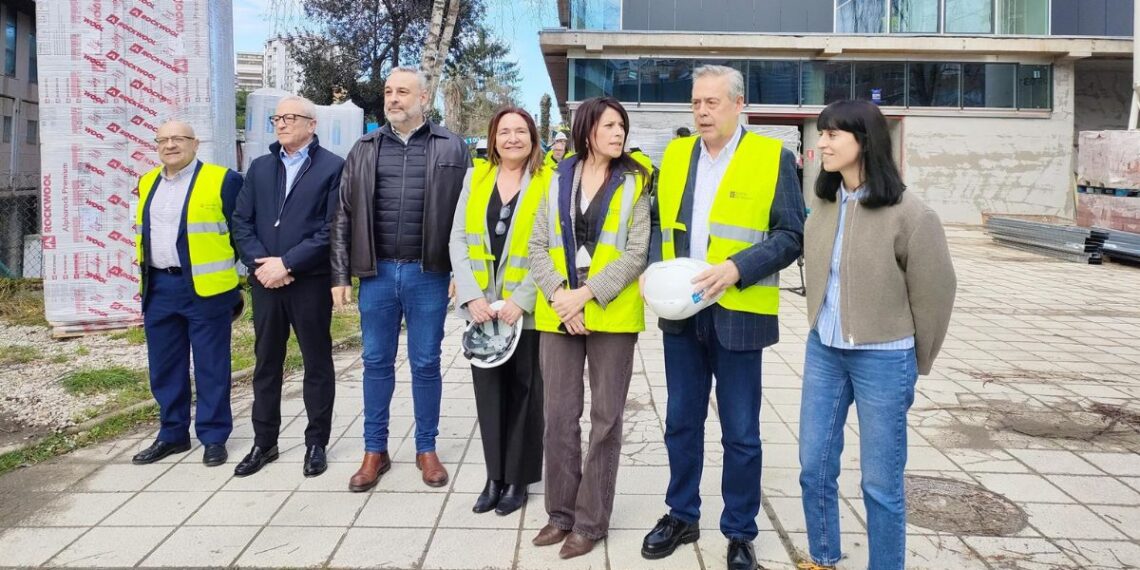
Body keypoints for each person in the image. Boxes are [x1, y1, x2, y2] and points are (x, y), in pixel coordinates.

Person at [640, 65, 804, 570]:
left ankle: (739, 531)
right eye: (696, 103)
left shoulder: (772, 156)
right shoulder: (677, 154)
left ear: (739, 105)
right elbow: (656, 222)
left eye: (712, 102)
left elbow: (791, 236)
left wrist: (738, 268)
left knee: (741, 432)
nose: (703, 111)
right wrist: (652, 272)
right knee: (681, 422)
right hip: (684, 315)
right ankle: (681, 513)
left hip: (738, 313)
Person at [796, 100, 956, 570]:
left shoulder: (911, 213)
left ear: (864, 142)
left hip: (884, 358)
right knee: (813, 467)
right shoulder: (824, 203)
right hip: (824, 349)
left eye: (832, 135)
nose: (821, 142)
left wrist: (916, 360)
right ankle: (823, 558)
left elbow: (936, 291)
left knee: (880, 484)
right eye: (821, 133)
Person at [330, 67, 470, 492]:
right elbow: (342, 214)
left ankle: (426, 449)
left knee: (426, 363)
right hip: (377, 273)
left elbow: (469, 215)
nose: (393, 99)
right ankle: (375, 450)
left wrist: (463, 273)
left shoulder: (452, 146)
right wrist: (341, 274)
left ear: (423, 99)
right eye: (389, 92)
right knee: (375, 362)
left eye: (403, 92)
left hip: (429, 274)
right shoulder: (365, 147)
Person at [527, 96, 650, 560]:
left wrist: (586, 293)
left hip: (612, 315)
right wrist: (562, 296)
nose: (618, 133)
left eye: (622, 126)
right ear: (586, 129)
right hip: (559, 313)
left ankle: (591, 521)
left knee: (606, 421)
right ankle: (560, 513)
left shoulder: (638, 181)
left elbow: (636, 252)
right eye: (609, 125)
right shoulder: (557, 176)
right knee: (558, 417)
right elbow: (537, 243)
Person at [231, 95, 345, 479]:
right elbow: (241, 221)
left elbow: (331, 228)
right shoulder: (261, 167)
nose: (281, 124)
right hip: (266, 282)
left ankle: (316, 443)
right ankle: (265, 441)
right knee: (266, 363)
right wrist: (263, 264)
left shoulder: (332, 167)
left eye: (290, 118)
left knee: (316, 362)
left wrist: (288, 262)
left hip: (308, 282)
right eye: (277, 118)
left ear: (311, 124)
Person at [449, 107, 549, 516]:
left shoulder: (549, 181)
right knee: (489, 394)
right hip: (483, 311)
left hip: (525, 308)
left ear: (533, 137)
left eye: (520, 131)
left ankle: (519, 478)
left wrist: (520, 300)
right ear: (492, 138)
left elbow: (553, 247)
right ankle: (495, 476)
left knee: (526, 393)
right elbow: (457, 237)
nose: (512, 138)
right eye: (504, 132)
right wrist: (471, 296)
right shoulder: (477, 177)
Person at [131, 120, 244, 467]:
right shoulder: (147, 181)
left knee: (212, 366)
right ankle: (172, 434)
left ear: (195, 143)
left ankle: (213, 436)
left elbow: (240, 232)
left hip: (205, 290)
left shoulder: (223, 180)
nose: (169, 145)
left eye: (178, 138)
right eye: (162, 140)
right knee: (165, 366)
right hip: (159, 287)